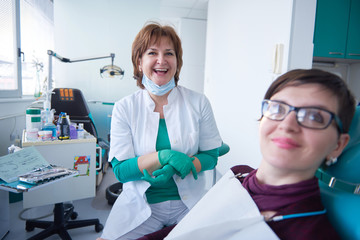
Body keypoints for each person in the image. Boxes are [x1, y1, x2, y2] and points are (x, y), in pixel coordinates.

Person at [138, 69, 356, 240]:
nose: (287, 124)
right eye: (278, 108)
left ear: (338, 145)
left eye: (314, 117)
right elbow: (189, 229)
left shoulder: (311, 234)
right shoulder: (239, 176)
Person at [98, 22, 222, 240]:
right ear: (139, 62)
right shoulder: (125, 107)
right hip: (141, 207)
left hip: (189, 206)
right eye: (152, 53)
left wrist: (181, 167)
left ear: (177, 62)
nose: (161, 61)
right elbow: (121, 170)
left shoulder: (198, 102)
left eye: (169, 53)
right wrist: (164, 156)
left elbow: (211, 156)